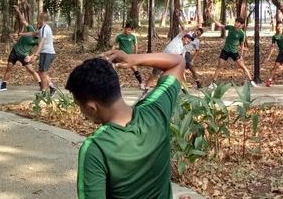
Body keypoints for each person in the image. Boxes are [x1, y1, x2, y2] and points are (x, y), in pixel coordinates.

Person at [65, 50, 185, 199]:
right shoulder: (155, 112)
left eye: (79, 106)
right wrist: (133, 59)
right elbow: (178, 62)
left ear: (91, 107)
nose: (81, 112)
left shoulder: (96, 149)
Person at [0, 6, 42, 91]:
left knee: (31, 70)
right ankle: (4, 85)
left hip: (24, 55)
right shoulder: (31, 28)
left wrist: (32, 56)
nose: (38, 32)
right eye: (38, 30)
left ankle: (41, 84)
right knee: (9, 68)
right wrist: (18, 11)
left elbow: (40, 50)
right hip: (15, 51)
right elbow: (23, 20)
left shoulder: (38, 40)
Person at [211, 17, 256, 87]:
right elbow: (220, 25)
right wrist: (211, 16)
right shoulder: (230, 28)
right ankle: (213, 83)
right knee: (219, 66)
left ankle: (251, 81)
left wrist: (241, 56)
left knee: (242, 66)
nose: (236, 23)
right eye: (236, 22)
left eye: (238, 22)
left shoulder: (242, 34)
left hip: (234, 52)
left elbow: (242, 45)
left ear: (241, 25)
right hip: (225, 50)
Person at [23, 12, 56, 95]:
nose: (37, 20)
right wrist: (20, 34)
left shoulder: (45, 28)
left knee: (42, 72)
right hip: (45, 53)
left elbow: (41, 42)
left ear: (42, 19)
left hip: (47, 53)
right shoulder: (42, 29)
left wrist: (35, 54)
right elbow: (33, 33)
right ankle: (51, 87)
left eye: (38, 18)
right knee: (41, 72)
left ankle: (44, 92)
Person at [113, 22, 145, 90]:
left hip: (130, 56)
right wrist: (112, 52)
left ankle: (141, 83)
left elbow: (136, 46)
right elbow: (114, 45)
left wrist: (135, 55)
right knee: (114, 68)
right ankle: (114, 84)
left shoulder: (133, 37)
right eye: (127, 29)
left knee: (135, 69)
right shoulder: (119, 36)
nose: (128, 31)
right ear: (124, 28)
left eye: (130, 30)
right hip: (121, 56)